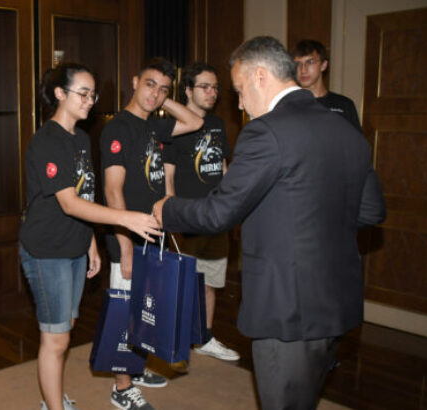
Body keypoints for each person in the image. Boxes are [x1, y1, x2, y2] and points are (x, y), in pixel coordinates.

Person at [153, 36, 386, 409]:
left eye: (240, 90)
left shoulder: (266, 132)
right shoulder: (347, 130)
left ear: (260, 76)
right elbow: (372, 210)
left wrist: (167, 208)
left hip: (287, 309)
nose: (240, 103)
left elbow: (219, 213)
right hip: (336, 303)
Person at [19, 62, 163, 410]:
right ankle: (53, 406)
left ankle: (54, 398)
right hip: (45, 250)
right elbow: (69, 204)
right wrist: (126, 219)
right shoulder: (48, 140)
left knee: (64, 328)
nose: (89, 100)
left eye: (92, 94)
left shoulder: (81, 138)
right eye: (82, 93)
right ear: (59, 94)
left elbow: (85, 197)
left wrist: (91, 244)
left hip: (73, 247)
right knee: (55, 339)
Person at [100, 57, 204, 410]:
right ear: (134, 81)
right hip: (129, 235)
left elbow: (195, 120)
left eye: (162, 88)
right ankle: (121, 386)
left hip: (154, 233)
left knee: (147, 308)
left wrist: (163, 99)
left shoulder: (153, 128)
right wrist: (125, 246)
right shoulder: (117, 128)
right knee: (125, 312)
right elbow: (113, 191)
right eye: (149, 84)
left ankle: (136, 369)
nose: (155, 93)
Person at [163, 62, 239, 364]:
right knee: (182, 284)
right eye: (204, 87)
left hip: (216, 216)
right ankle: (174, 342)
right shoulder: (173, 126)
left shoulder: (218, 124)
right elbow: (167, 177)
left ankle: (204, 337)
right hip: (187, 217)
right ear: (188, 90)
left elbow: (221, 166)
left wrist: (231, 206)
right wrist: (171, 217)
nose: (212, 93)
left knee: (210, 282)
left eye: (215, 87)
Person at [292, 39, 362, 130]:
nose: (303, 70)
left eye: (310, 62)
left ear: (323, 65)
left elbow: (356, 142)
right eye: (298, 64)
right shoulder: (289, 105)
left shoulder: (343, 105)